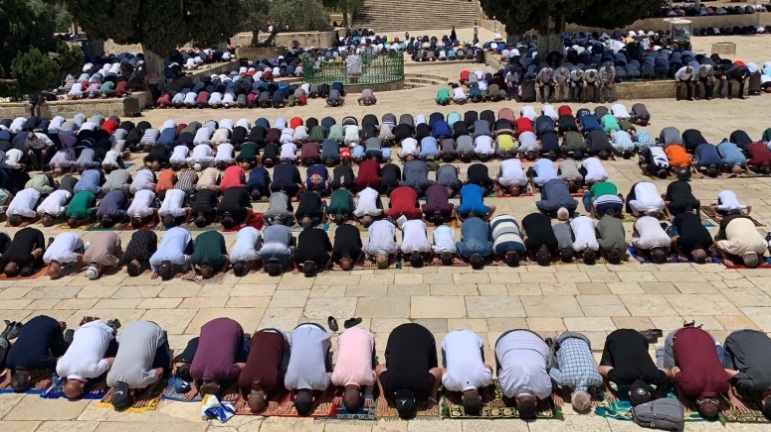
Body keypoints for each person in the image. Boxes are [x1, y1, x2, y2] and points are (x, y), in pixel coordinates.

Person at [658, 326, 735, 419]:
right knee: (667, 376)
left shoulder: (723, 385)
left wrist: (732, 398)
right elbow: (674, 369)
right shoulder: (690, 386)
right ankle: (661, 351)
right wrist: (682, 397)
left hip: (704, 335)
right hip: (677, 336)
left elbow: (726, 377)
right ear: (698, 401)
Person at [376, 323, 442, 419]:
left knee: (431, 369)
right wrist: (383, 395)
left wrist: (432, 398)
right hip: (397, 334)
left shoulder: (422, 383)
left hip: (424, 335)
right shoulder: (389, 382)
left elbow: (438, 371)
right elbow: (378, 369)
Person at [106, 321, 169, 410]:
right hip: (130, 328)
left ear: (132, 393)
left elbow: (161, 371)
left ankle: (163, 339)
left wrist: (147, 393)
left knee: (164, 367)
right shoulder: (109, 380)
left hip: (152, 328)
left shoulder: (140, 381)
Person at [598, 329, 668, 405]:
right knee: (607, 364)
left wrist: (658, 391)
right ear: (629, 393)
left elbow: (669, 373)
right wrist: (609, 390)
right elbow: (601, 369)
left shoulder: (654, 376)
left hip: (640, 338)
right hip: (615, 337)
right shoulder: (619, 377)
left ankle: (637, 335)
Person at [1, 315, 67, 392]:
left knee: (60, 353)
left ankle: (63, 332)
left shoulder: (39, 360)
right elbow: (9, 366)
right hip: (30, 323)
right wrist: (7, 379)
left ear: (29, 377)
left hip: (50, 323)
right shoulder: (10, 360)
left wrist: (48, 379)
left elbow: (60, 361)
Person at [186, 318, 247, 400]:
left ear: (219, 386)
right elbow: (196, 374)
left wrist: (233, 387)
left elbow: (245, 366)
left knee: (241, 358)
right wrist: (196, 386)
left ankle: (247, 341)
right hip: (208, 326)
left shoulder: (227, 372)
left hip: (234, 326)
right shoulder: (193, 371)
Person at [55, 318, 117, 399]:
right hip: (81, 330)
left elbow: (113, 360)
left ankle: (111, 325)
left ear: (82, 385)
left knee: (114, 355)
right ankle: (89, 323)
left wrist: (104, 382)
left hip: (104, 329)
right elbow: (60, 358)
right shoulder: (60, 370)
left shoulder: (92, 371)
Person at [495, 330, 551, 418]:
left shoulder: (545, 390)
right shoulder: (507, 388)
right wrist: (507, 396)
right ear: (517, 402)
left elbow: (547, 377)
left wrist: (542, 399)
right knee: (503, 368)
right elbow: (500, 371)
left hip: (535, 340)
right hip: (505, 341)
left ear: (536, 402)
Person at [235, 328, 289, 413]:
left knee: (285, 369)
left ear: (265, 396)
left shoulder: (271, 381)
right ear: (249, 395)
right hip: (258, 335)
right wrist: (242, 397)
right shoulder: (242, 381)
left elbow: (285, 384)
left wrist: (276, 399)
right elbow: (241, 388)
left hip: (279, 336)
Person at [284, 323, 332, 416]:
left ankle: (327, 344)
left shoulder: (321, 384)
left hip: (320, 331)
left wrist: (323, 398)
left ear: (313, 399)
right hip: (297, 331)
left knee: (327, 367)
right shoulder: (288, 383)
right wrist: (292, 398)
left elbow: (330, 374)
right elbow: (291, 385)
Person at [440, 330, 493, 416]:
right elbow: (443, 370)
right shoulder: (451, 385)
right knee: (448, 368)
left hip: (469, 336)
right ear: (462, 397)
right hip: (450, 339)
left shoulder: (484, 379)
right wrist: (449, 393)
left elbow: (489, 367)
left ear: (479, 397)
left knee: (480, 365)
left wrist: (486, 390)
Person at [549, 332, 603, 413]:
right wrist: (556, 392)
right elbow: (549, 370)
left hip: (584, 339)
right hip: (560, 339)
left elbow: (595, 383)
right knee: (552, 363)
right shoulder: (563, 379)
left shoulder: (598, 380)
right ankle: (548, 345)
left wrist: (593, 394)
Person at [723, 329, 771, 418]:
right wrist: (732, 397)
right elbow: (725, 372)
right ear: (762, 402)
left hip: (760, 335)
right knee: (733, 380)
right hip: (736, 337)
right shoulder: (754, 383)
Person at [331, 326, 376, 413]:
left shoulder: (368, 378)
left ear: (360, 394)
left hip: (366, 336)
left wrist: (368, 394)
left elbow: (374, 375)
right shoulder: (335, 379)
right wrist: (338, 392)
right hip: (344, 336)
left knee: (372, 365)